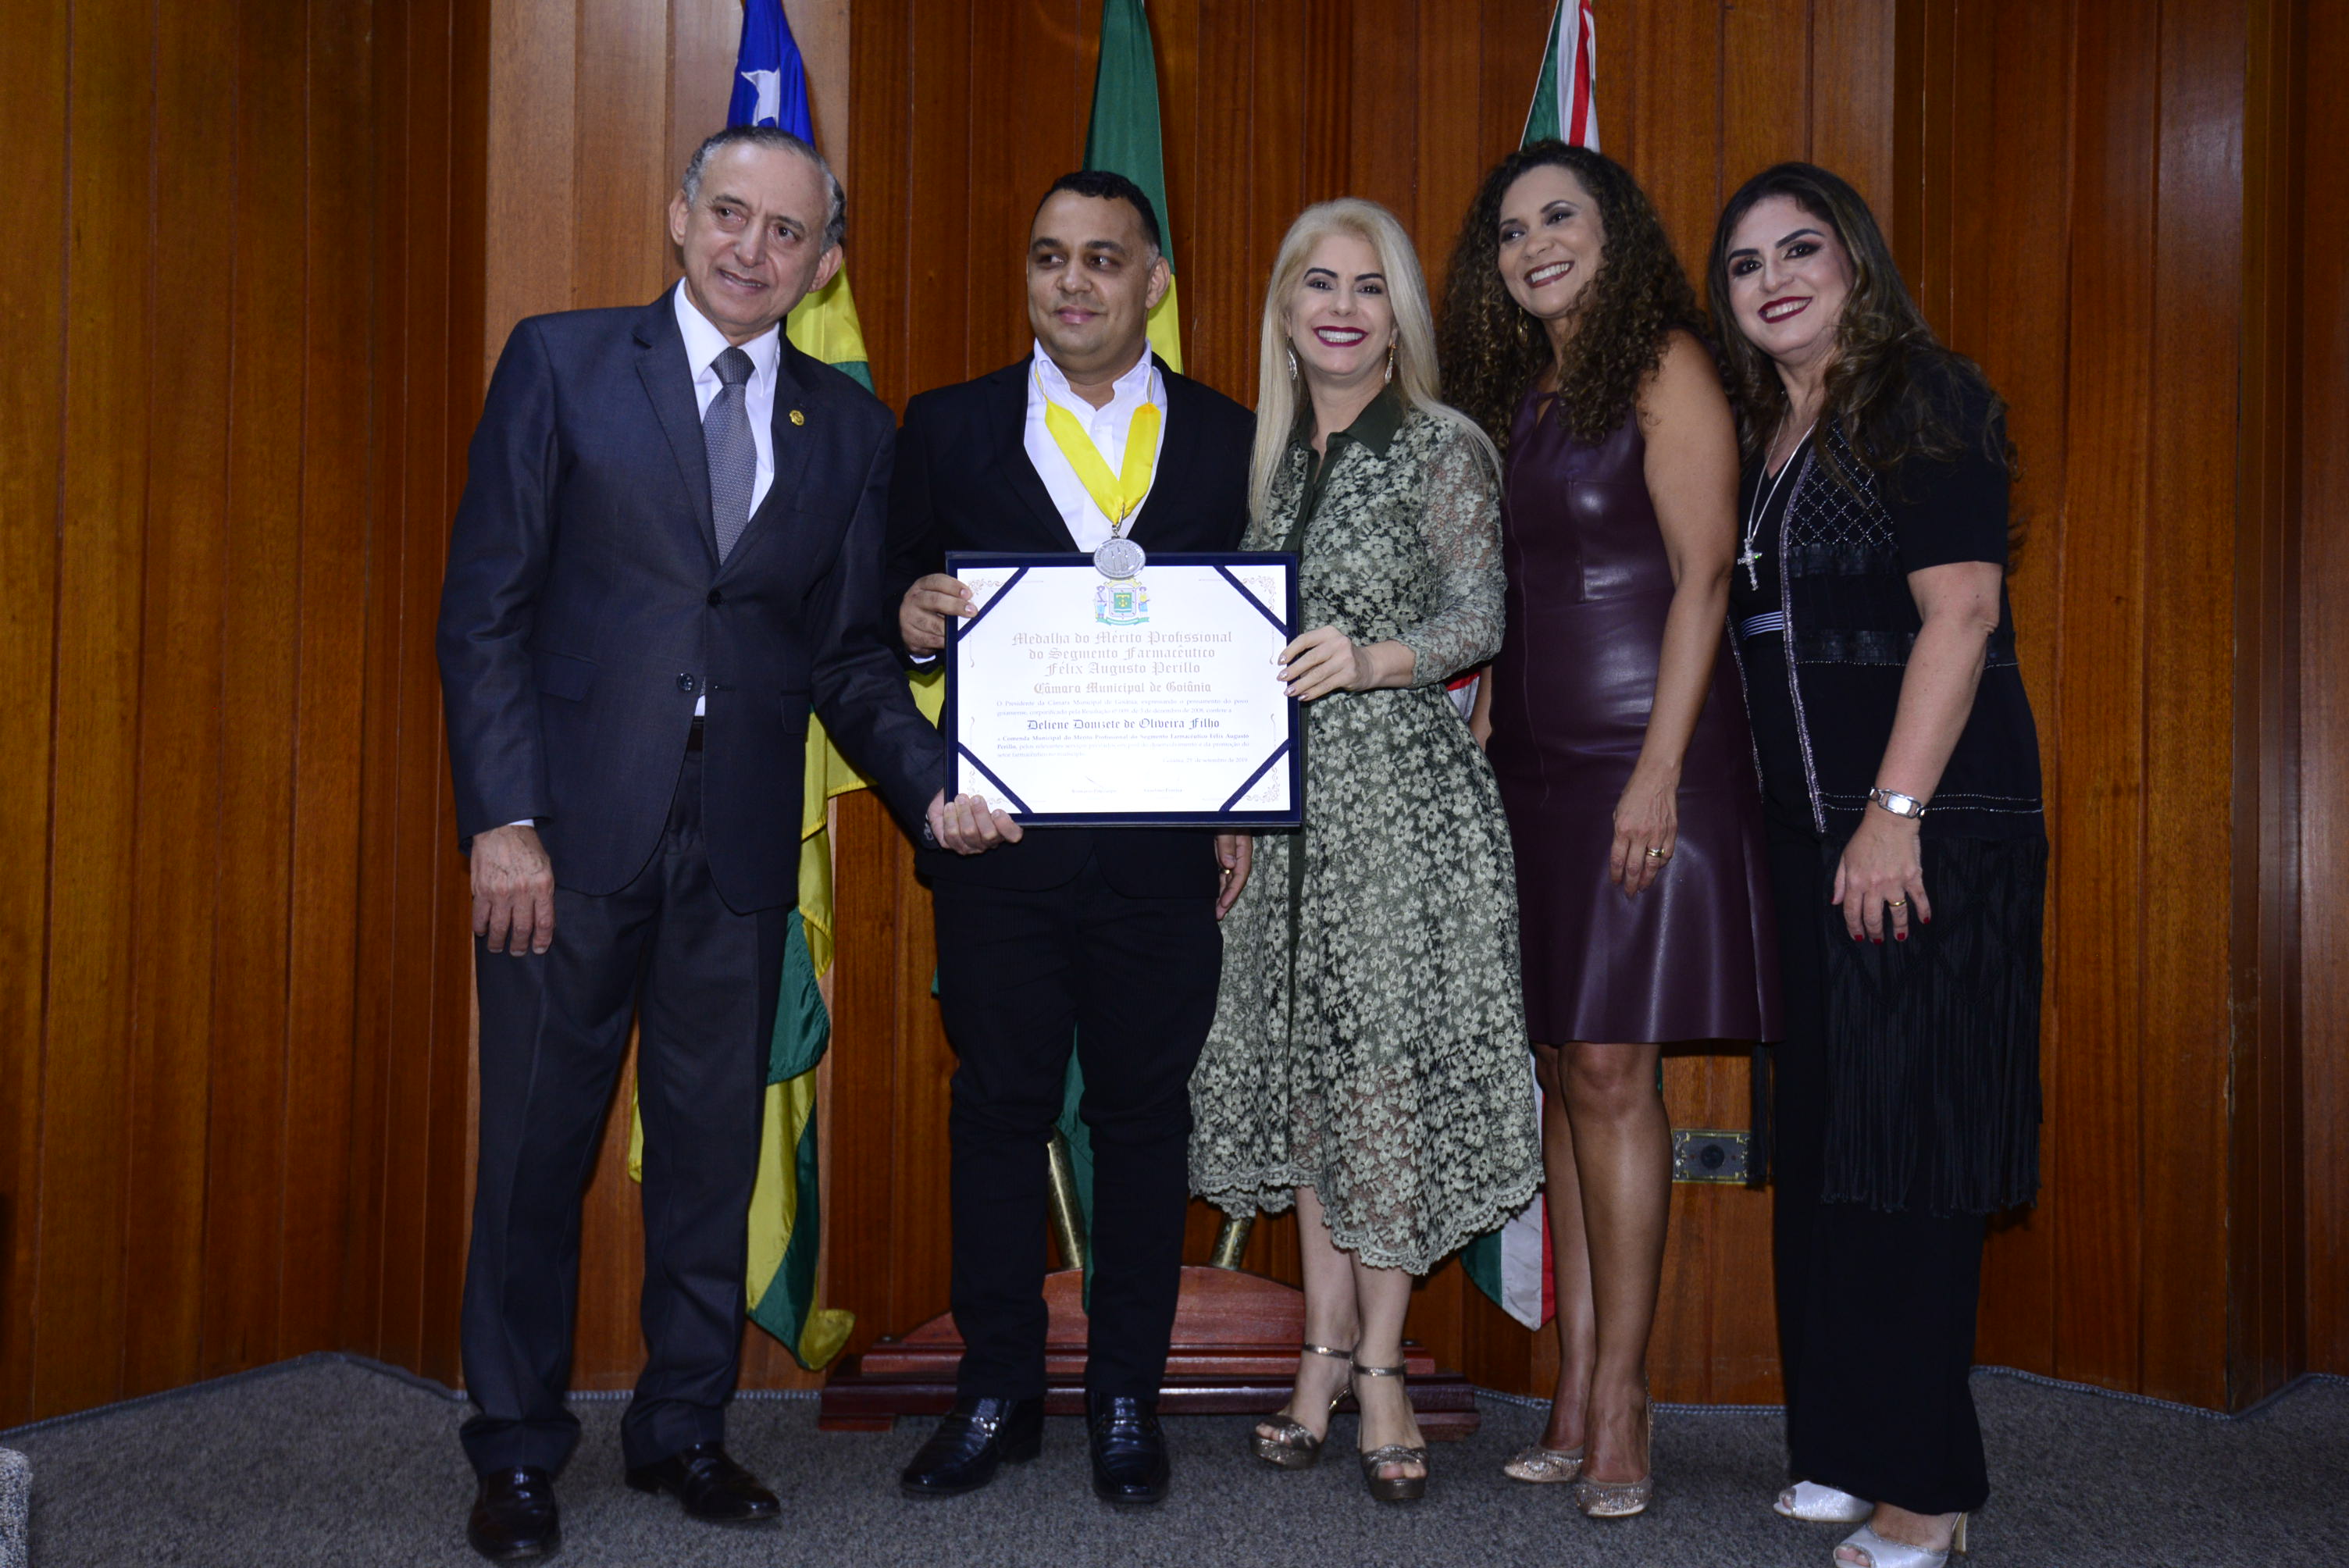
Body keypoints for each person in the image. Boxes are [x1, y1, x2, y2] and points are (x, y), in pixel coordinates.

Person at [437, 125, 1018, 1563]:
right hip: (564, 837)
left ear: (825, 265)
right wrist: (502, 819)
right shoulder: (562, 362)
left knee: (709, 1153)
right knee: (534, 1152)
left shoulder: (851, 428)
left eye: (787, 232)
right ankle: (515, 1448)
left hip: (743, 839)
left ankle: (683, 1430)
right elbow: (486, 608)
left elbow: (847, 661)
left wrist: (936, 787)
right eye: (731, 215)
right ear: (679, 216)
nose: (753, 249)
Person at [884, 170, 1256, 1508]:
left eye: (1104, 258)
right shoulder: (947, 426)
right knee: (998, 1113)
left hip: (1162, 857)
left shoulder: (1230, 436)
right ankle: (995, 1391)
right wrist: (912, 623)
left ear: (1154, 281)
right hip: (1000, 850)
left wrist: (1239, 798)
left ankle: (1124, 1396)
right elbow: (879, 618)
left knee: (1146, 1121)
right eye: (1050, 257)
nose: (1073, 282)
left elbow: (1249, 641)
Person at [1706, 162, 2046, 1568]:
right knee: (1830, 1149)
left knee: (1911, 1157)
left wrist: (1896, 810)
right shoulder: (1764, 432)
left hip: (1928, 832)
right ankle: (1843, 1445)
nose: (1773, 279)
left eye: (1802, 249)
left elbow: (1961, 615)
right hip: (1809, 840)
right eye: (1745, 265)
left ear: (1856, 262)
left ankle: (1929, 1482)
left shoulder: (1924, 394)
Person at [1437, 141, 1780, 1520]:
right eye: (1511, 230)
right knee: (1564, 1070)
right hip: (1530, 761)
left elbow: (1703, 579)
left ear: (1614, 229)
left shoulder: (1665, 363)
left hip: (1646, 751)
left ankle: (1627, 1396)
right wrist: (1484, 730)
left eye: (1558, 218)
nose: (1533, 246)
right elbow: (1516, 589)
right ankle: (1576, 1388)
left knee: (1611, 1068)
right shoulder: (1515, 393)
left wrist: (1659, 773)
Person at [1189, 198, 1542, 1506]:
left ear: (1400, 316)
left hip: (1401, 810)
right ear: (1285, 310)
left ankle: (1382, 1365)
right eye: (1319, 284)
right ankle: (1321, 1355)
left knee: (1382, 1084)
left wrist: (1370, 659)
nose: (1342, 307)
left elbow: (1480, 614)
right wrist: (1228, 806)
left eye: (1369, 286)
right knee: (1312, 1086)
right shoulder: (1268, 461)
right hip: (1281, 820)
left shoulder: (1443, 445)